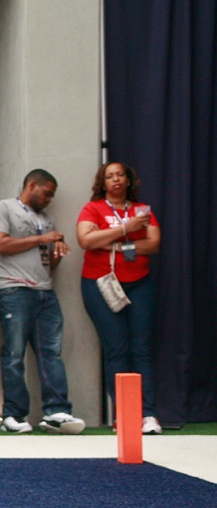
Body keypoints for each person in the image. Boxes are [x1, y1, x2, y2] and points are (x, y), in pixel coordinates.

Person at [0, 168, 86, 434]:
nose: (49, 200)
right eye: (47, 193)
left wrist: (58, 252)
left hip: (44, 290)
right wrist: (42, 238)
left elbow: (48, 264)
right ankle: (13, 416)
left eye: (52, 196)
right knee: (14, 353)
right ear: (31, 185)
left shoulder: (47, 220)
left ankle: (56, 411)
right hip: (13, 289)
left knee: (51, 353)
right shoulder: (3, 208)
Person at [76, 161, 162, 433]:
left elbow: (153, 244)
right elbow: (86, 241)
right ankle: (125, 415)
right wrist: (128, 228)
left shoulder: (142, 210)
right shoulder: (94, 208)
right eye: (109, 176)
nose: (115, 180)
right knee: (116, 349)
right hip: (100, 284)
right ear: (102, 183)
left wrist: (110, 241)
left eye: (120, 175)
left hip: (140, 284)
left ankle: (148, 415)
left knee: (141, 349)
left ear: (128, 180)